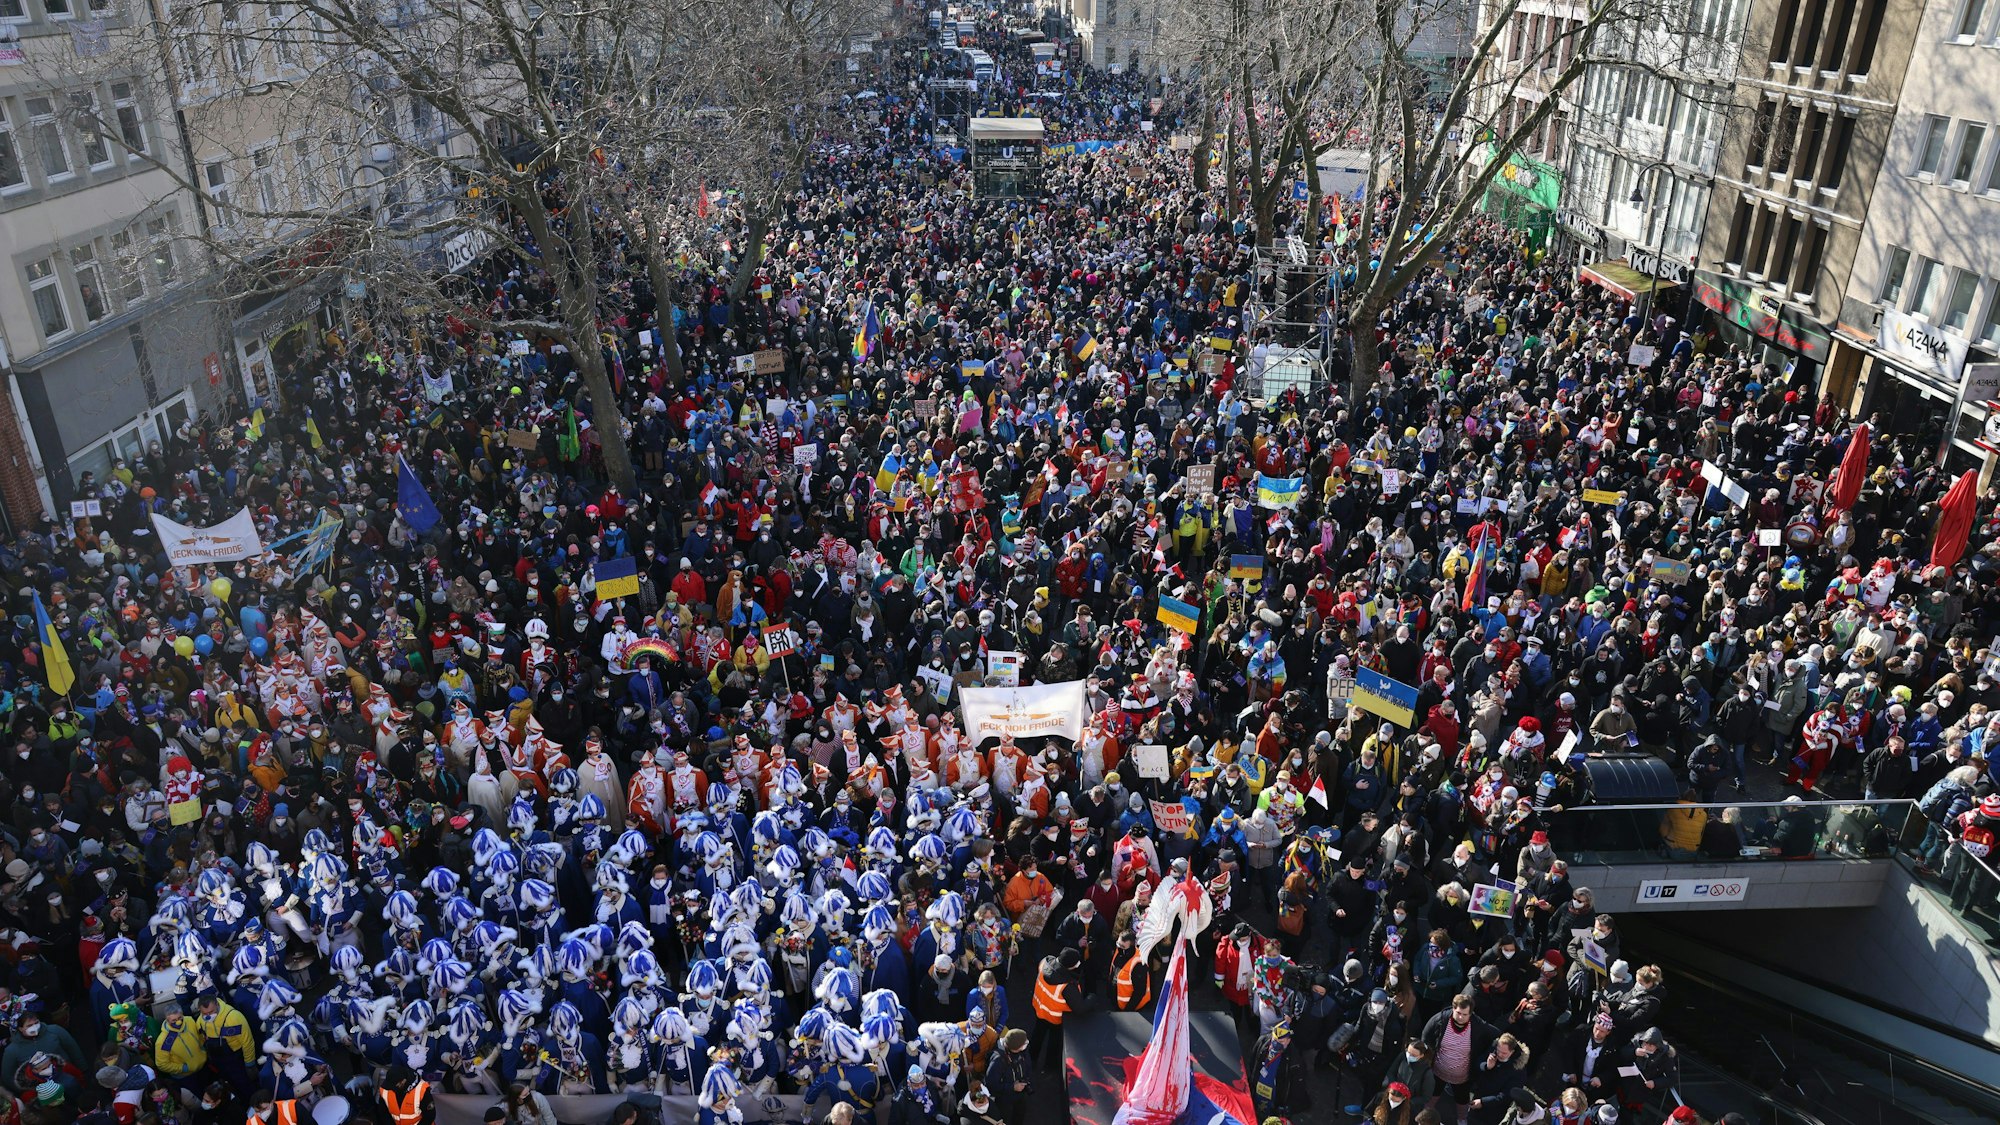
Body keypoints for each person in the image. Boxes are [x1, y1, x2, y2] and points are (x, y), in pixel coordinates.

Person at [983, 1031, 1031, 1125]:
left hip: (1020, 1094)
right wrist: (1012, 1087)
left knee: (1020, 1115)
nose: (1026, 1044)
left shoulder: (1023, 1052)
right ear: (1016, 1047)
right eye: (1024, 1043)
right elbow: (991, 1085)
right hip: (1004, 1099)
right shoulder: (998, 1060)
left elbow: (1027, 1066)